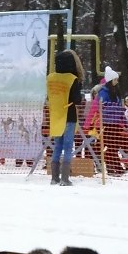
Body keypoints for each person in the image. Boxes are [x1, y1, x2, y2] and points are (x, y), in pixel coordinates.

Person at [46, 49, 84, 185]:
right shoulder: (72, 79)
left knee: (57, 146)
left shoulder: (50, 78)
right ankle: (65, 178)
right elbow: (76, 99)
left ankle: (54, 178)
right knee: (68, 147)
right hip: (69, 116)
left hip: (56, 116)